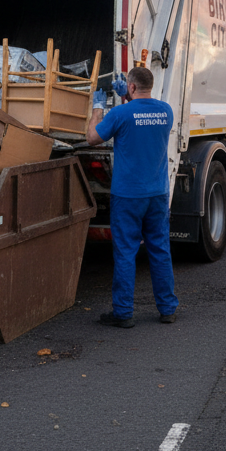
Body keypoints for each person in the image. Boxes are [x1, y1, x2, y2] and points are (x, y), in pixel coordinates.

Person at [86, 66, 179, 328]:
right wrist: (127, 96)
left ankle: (124, 313)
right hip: (157, 194)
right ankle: (167, 309)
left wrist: (98, 108)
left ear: (132, 86)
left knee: (126, 252)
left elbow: (92, 138)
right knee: (160, 250)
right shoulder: (166, 111)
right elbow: (141, 116)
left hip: (127, 196)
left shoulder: (120, 114)